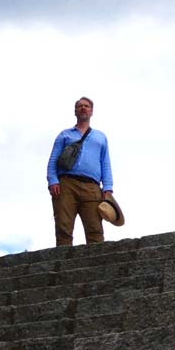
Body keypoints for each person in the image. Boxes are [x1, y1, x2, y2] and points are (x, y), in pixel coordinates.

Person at [47, 96, 115, 247]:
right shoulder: (65, 134)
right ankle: (62, 264)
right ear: (75, 111)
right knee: (63, 227)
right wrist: (53, 180)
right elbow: (53, 160)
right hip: (66, 184)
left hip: (92, 187)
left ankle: (96, 264)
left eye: (86, 106)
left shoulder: (100, 137)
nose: (83, 108)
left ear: (92, 112)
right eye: (80, 106)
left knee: (95, 229)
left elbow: (105, 162)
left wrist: (108, 187)